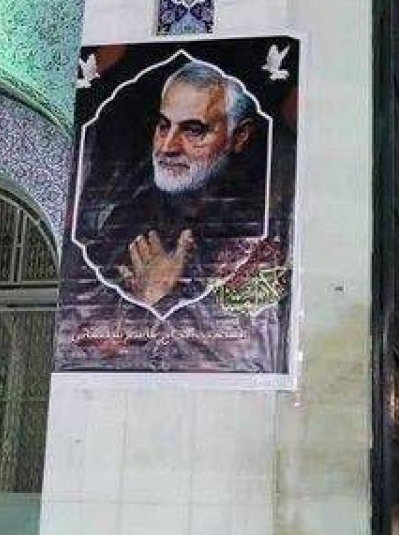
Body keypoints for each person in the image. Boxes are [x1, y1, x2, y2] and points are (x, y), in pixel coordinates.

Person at [73, 59, 295, 373]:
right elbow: (83, 336)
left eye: (193, 130)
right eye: (164, 125)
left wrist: (160, 298)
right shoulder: (127, 215)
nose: (167, 146)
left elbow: (243, 352)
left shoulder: (262, 232)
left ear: (239, 137)